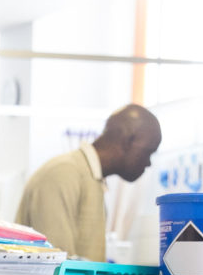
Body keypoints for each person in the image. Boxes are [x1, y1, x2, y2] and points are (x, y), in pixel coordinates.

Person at [14, 105, 161, 260]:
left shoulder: (92, 179)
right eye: (148, 152)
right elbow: (54, 266)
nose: (148, 163)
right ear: (127, 141)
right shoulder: (63, 173)